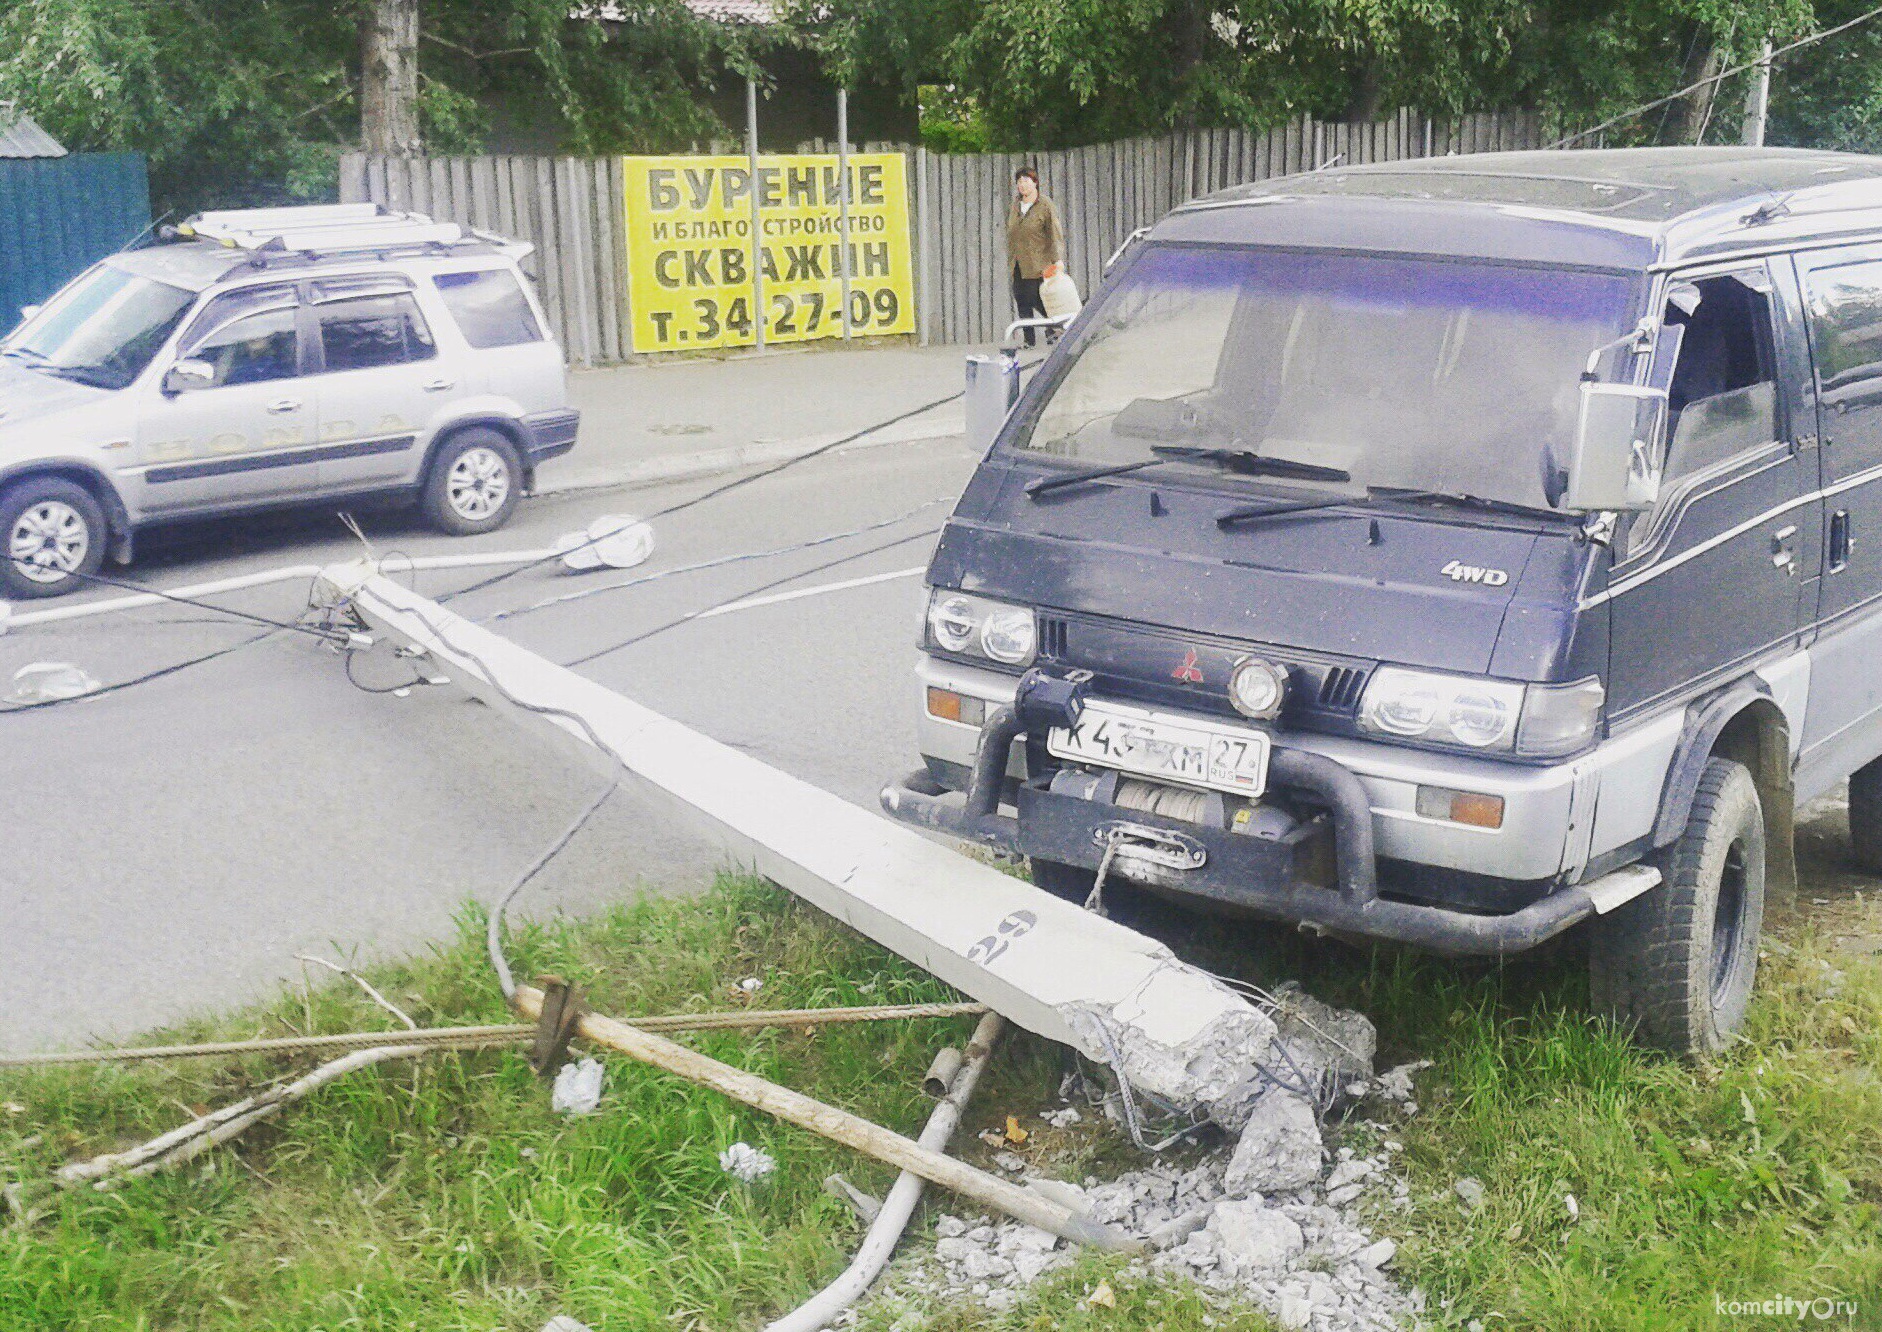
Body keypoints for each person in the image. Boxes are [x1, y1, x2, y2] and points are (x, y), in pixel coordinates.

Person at [1007, 166, 1064, 347]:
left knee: (1037, 298)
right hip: (1018, 262)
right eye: (1019, 182)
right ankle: (1029, 340)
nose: (1022, 185)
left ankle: (1055, 328)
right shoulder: (1016, 205)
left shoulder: (1044, 205)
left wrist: (1057, 260)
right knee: (1021, 298)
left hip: (1039, 262)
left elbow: (1054, 233)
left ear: (1035, 183)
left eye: (1026, 181)